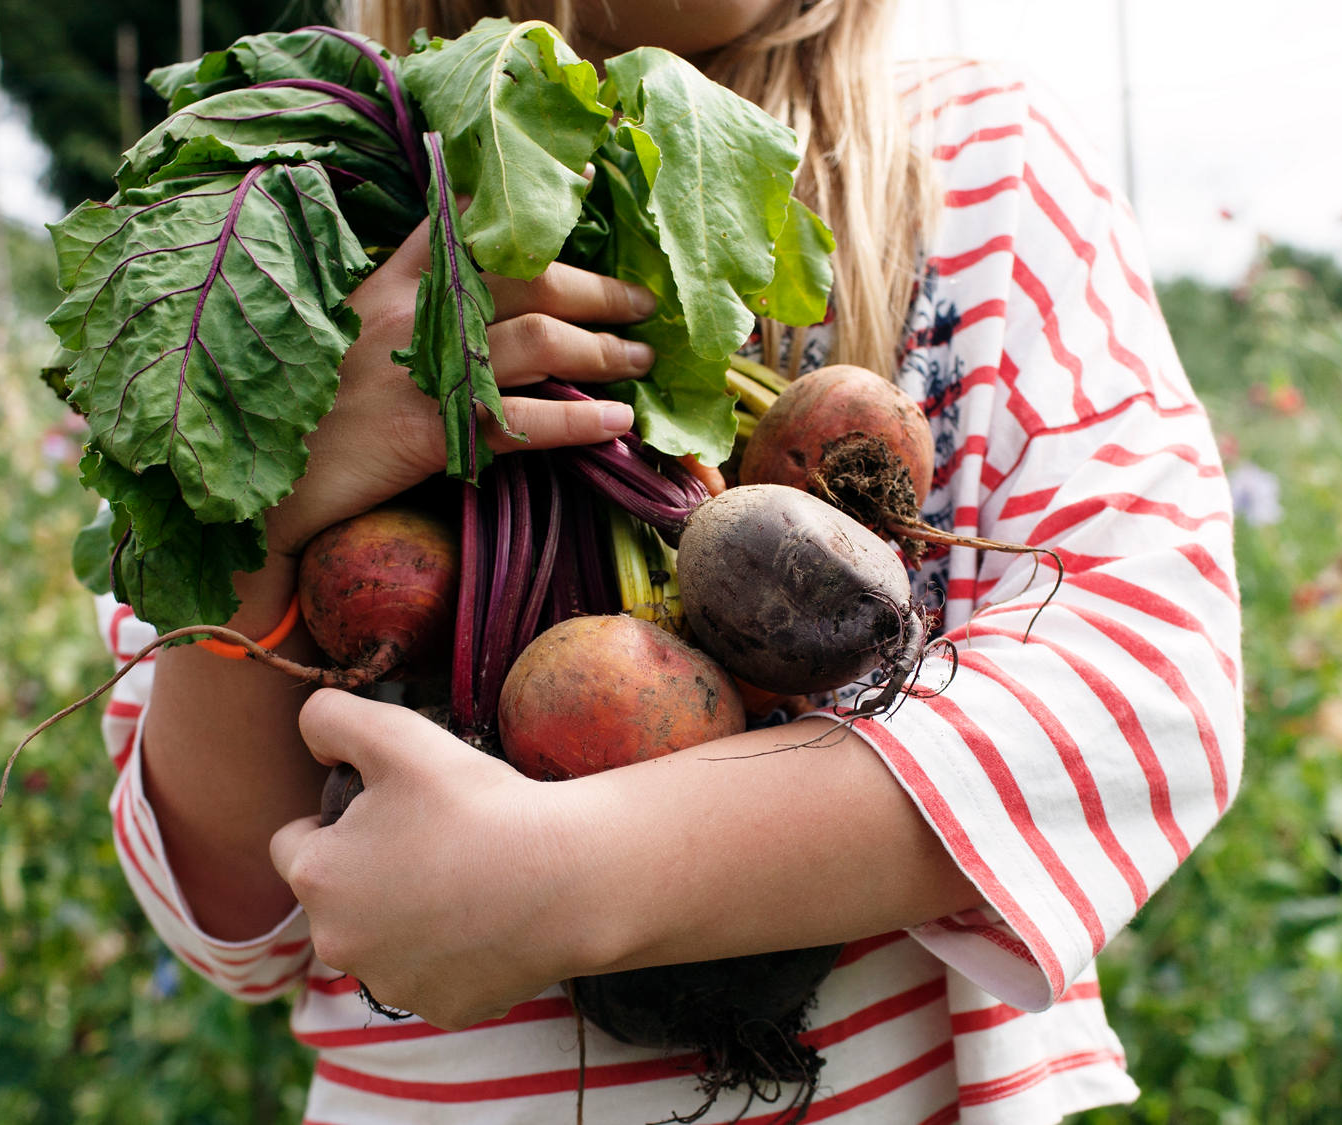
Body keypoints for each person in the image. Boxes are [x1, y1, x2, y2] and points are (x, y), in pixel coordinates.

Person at [94, 0, 1244, 1120]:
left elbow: (1150, 688)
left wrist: (576, 873)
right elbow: (237, 918)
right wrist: (274, 481)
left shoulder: (972, 161)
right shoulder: (324, 245)